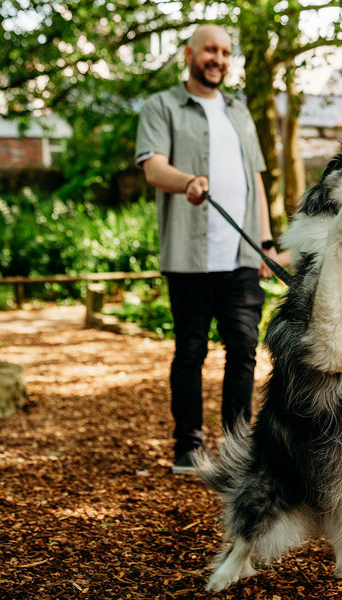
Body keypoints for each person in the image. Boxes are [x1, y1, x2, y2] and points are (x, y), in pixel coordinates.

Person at [135, 24, 278, 474]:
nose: (218, 58)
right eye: (210, 50)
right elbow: (154, 168)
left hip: (240, 255)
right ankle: (189, 448)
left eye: (225, 52)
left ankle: (236, 451)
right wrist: (188, 182)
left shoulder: (239, 109)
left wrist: (266, 243)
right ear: (189, 54)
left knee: (243, 351)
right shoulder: (162, 106)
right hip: (189, 256)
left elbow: (256, 178)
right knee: (191, 351)